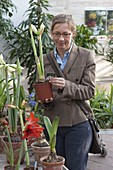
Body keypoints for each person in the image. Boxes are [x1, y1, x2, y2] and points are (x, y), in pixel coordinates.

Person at [43, 14, 96, 170]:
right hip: (52, 123)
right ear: (51, 34)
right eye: (57, 34)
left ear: (73, 33)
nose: (61, 39)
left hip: (77, 123)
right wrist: (43, 99)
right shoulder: (44, 59)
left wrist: (67, 86)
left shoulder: (86, 55)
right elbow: (38, 89)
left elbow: (89, 91)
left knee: (76, 167)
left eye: (66, 34)